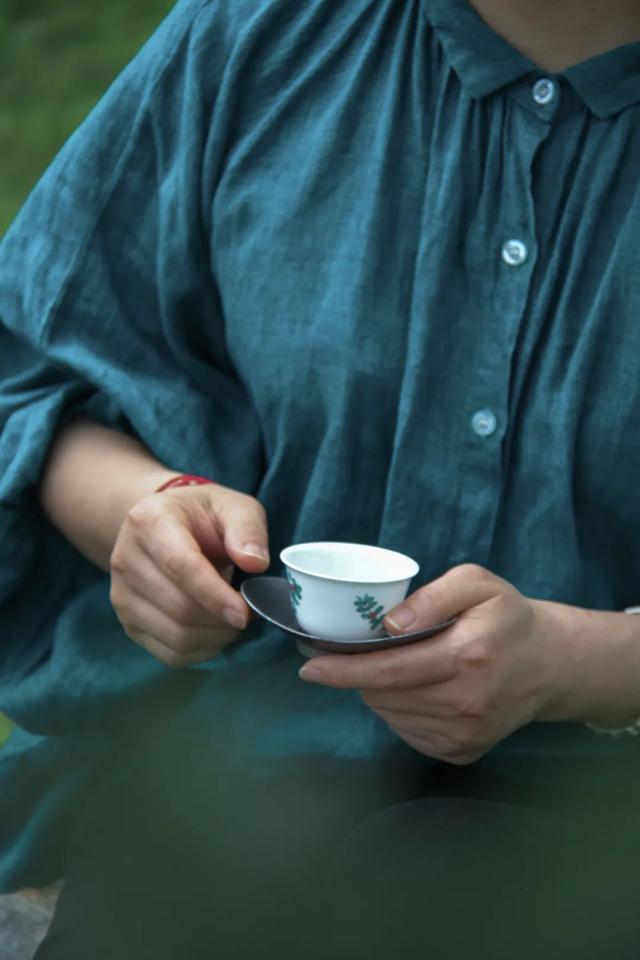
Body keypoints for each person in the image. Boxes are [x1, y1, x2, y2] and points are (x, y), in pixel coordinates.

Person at [2, 0, 640, 955]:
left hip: (603, 813)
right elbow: (32, 373)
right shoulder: (261, 33)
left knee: (439, 869)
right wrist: (152, 523)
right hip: (246, 759)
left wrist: (581, 664)